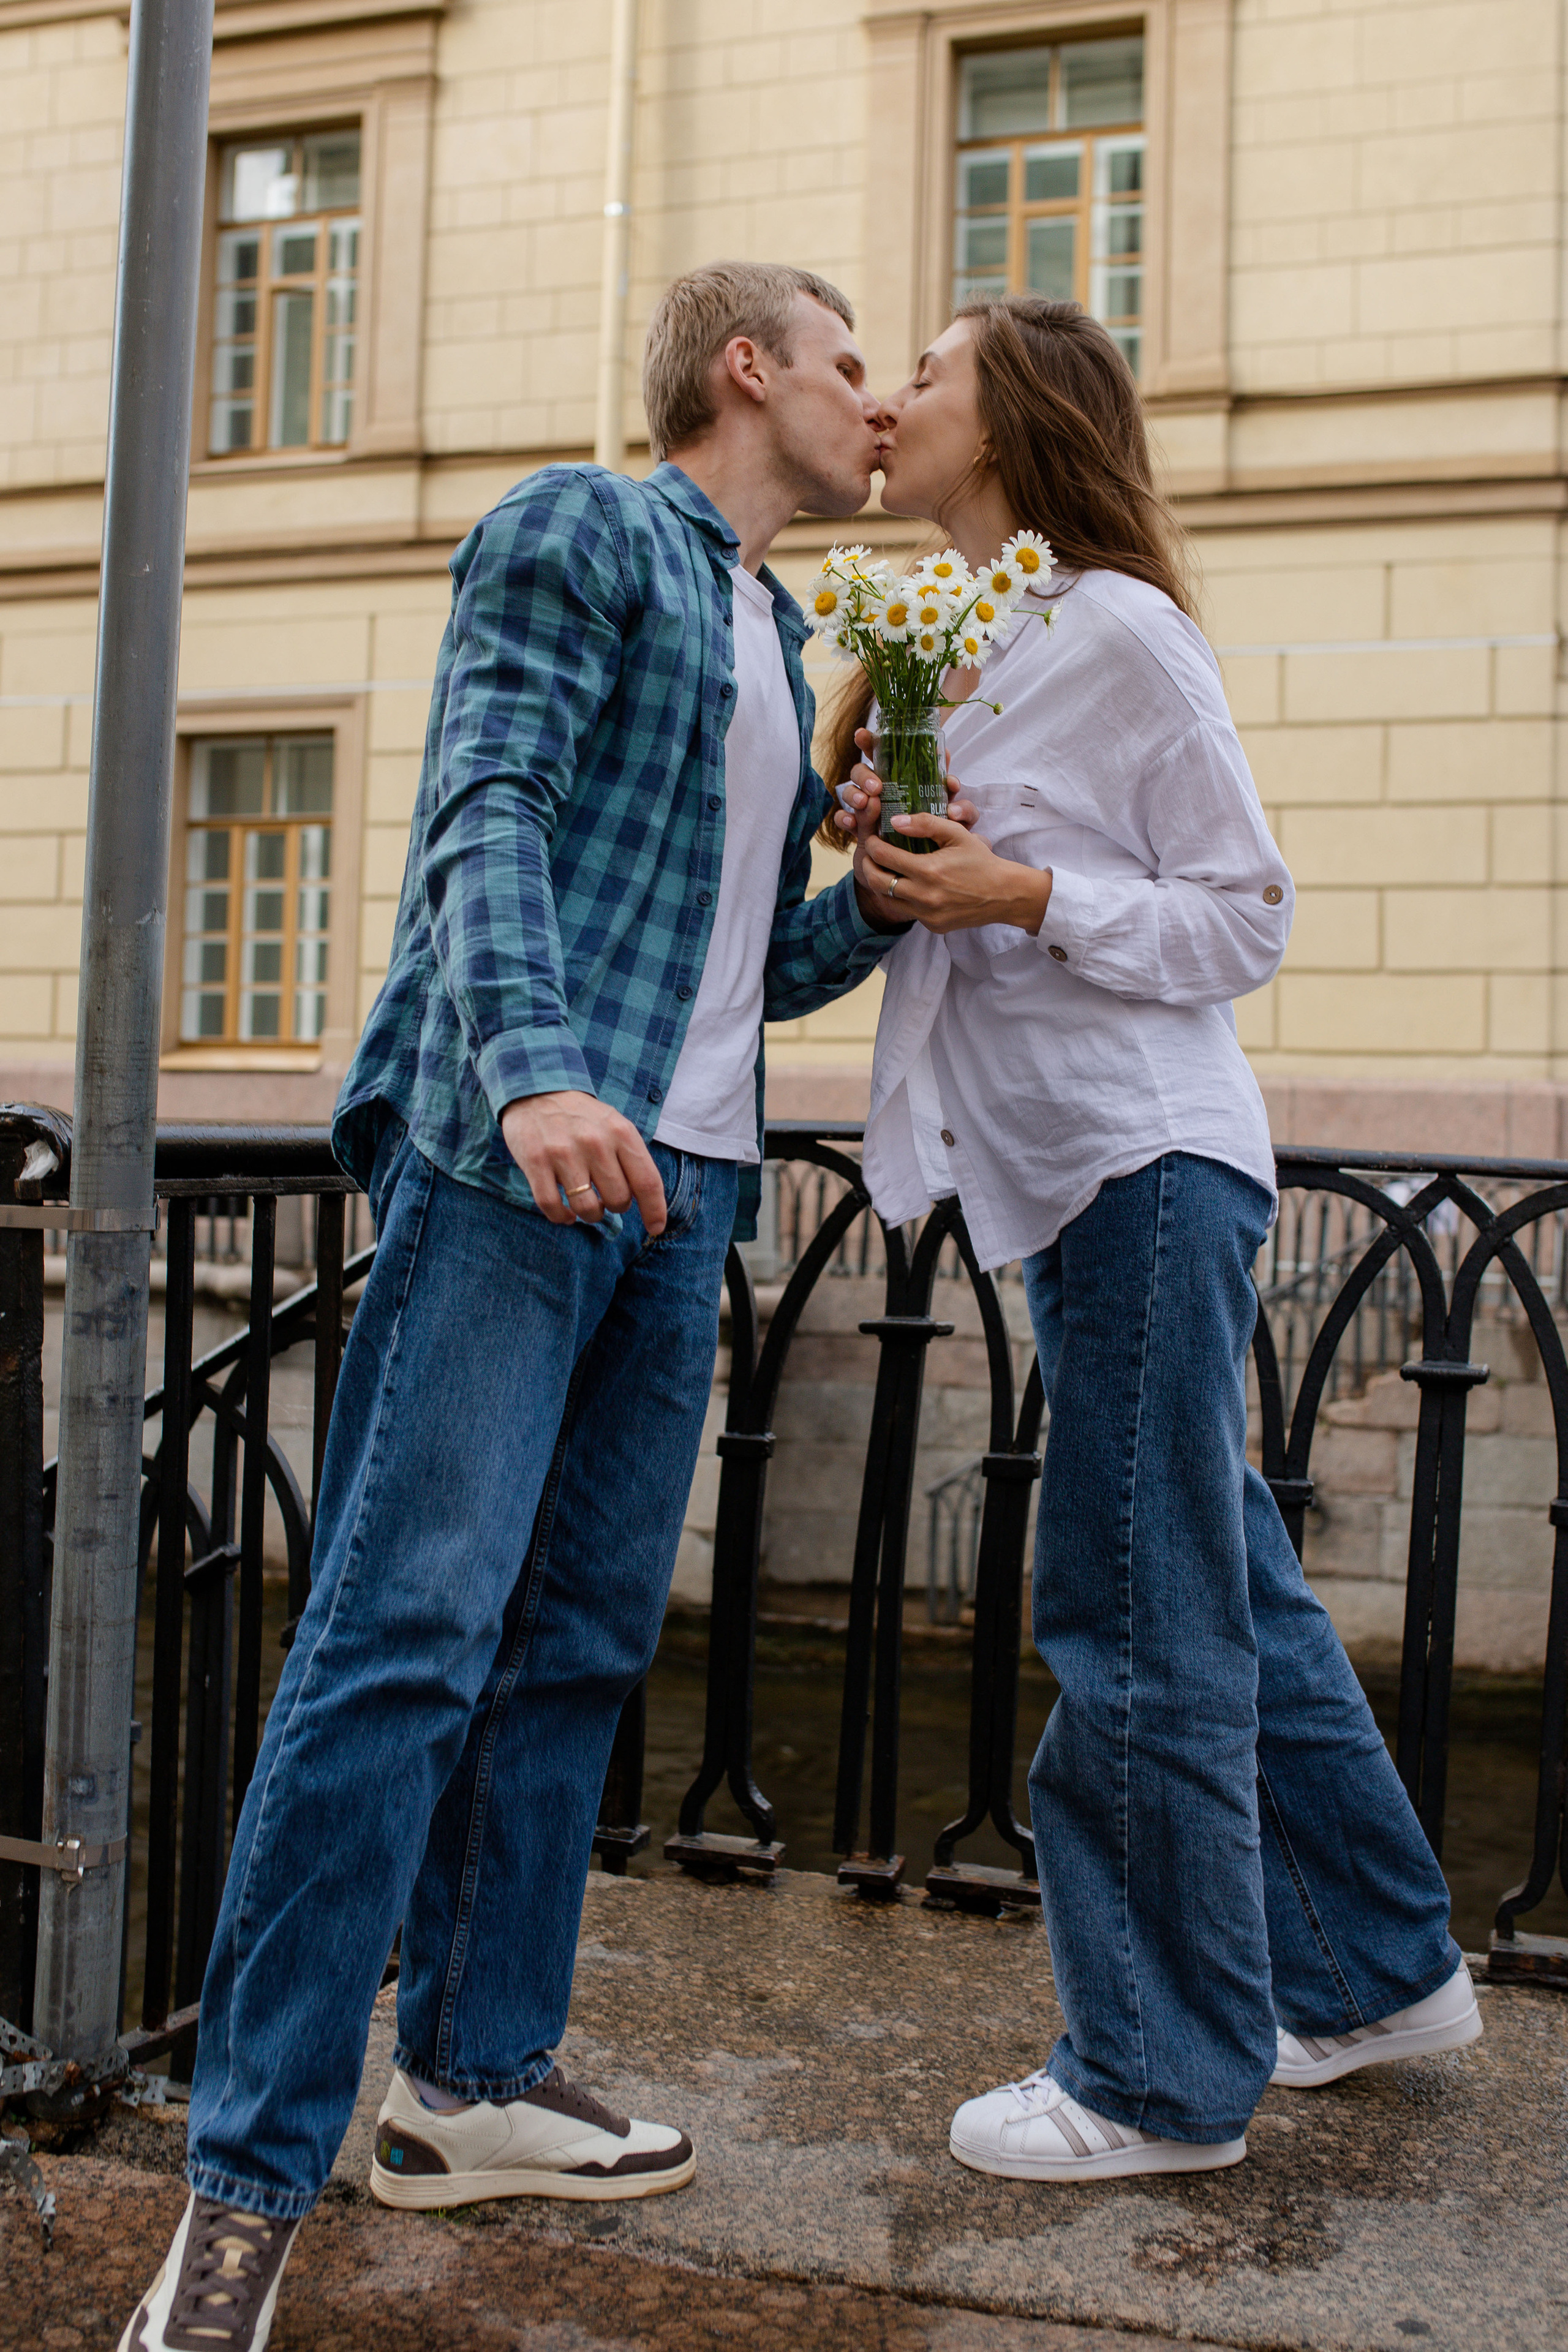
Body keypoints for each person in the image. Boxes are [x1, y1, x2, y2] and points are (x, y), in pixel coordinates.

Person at [120, 260, 918, 2352]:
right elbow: (489, 815)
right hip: (519, 1160)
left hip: (683, 1184)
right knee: (398, 1648)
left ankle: (469, 2082)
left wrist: (874, 911)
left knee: (568, 1651)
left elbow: (729, 973)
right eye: (853, 368)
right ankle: (240, 2192)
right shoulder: (585, 529)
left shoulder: (778, 624)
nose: (878, 409)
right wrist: (535, 1069)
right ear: (749, 370)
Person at [831, 295, 1480, 2185]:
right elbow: (990, 902)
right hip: (1079, 1173)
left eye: (928, 374)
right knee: (1226, 1586)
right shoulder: (990, 634)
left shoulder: (1118, 627)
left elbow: (1244, 915)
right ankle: (1372, 1975)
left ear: (1019, 413)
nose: (891, 398)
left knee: (1131, 1613)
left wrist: (1025, 888)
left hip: (1147, 1160)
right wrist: (912, 846)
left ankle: (1155, 2079)